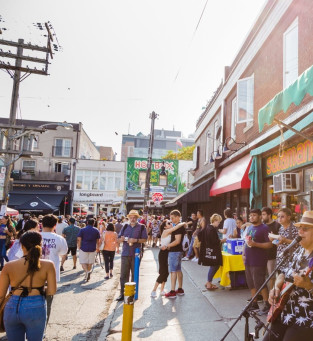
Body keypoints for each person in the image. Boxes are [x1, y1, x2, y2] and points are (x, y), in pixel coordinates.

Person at [263, 210, 313, 340]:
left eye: (305, 229)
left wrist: (309, 286)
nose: (300, 232)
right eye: (299, 228)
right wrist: (276, 287)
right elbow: (283, 273)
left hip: (306, 318)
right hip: (285, 312)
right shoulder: (299, 251)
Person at [0, 231, 57, 340]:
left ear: (22, 246)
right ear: (40, 245)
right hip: (36, 306)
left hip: (12, 306)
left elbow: (1, 294)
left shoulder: (9, 266)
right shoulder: (48, 265)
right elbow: (51, 291)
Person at [243, 209, 273, 315]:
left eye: (254, 215)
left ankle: (267, 303)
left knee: (259, 282)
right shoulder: (250, 227)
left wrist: (256, 244)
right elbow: (246, 242)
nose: (251, 217)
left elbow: (270, 244)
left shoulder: (264, 228)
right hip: (249, 259)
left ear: (260, 216)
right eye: (250, 215)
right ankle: (254, 302)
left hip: (259, 259)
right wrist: (243, 254)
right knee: (250, 282)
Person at [116, 210, 148, 302]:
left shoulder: (141, 227)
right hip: (125, 253)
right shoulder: (125, 226)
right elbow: (118, 239)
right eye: (131, 217)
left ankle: (133, 294)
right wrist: (121, 239)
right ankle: (123, 294)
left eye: (134, 217)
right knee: (123, 275)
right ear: (129, 218)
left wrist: (136, 240)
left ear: (137, 218)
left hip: (136, 254)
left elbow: (145, 239)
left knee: (134, 274)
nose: (132, 219)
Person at [151, 220, 186, 297]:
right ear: (165, 226)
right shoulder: (165, 231)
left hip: (168, 253)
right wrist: (182, 223)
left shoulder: (170, 232)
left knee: (166, 273)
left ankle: (162, 290)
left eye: (171, 222)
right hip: (163, 254)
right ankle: (154, 290)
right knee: (163, 272)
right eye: (169, 223)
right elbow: (174, 228)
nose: (171, 224)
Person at [198, 213, 223, 290]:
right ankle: (209, 282)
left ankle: (208, 281)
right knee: (215, 265)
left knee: (213, 265)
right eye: (218, 222)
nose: (219, 223)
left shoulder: (208, 227)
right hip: (213, 251)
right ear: (214, 221)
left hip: (209, 250)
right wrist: (222, 240)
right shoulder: (211, 229)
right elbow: (214, 241)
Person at [165, 210, 185, 299]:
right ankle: (180, 289)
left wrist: (167, 246)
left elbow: (177, 241)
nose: (171, 220)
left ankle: (173, 291)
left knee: (173, 270)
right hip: (178, 251)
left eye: (172, 218)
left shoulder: (178, 227)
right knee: (178, 270)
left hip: (175, 251)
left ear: (177, 217)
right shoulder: (179, 226)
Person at [261, 207, 281, 290]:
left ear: (269, 215)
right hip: (261, 254)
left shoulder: (277, 225)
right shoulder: (262, 225)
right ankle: (262, 295)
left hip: (272, 255)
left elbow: (280, 243)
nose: (262, 216)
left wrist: (273, 240)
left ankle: (272, 294)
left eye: (263, 214)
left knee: (271, 276)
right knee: (261, 276)